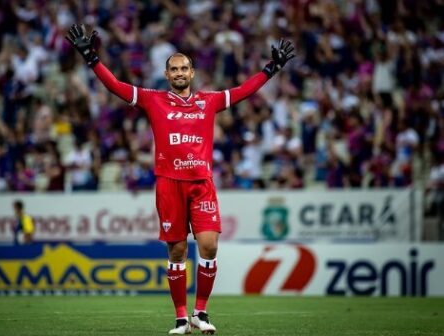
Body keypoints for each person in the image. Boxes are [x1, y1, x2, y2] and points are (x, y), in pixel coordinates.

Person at [66, 24, 294, 335]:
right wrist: (92, 58)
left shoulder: (208, 101)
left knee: (209, 246)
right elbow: (116, 86)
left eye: (184, 68)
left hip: (201, 183)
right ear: (166, 73)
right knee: (176, 252)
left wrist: (271, 68)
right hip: (168, 184)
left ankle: (201, 311)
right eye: (174, 69)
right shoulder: (153, 99)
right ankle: (180, 317)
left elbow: (243, 91)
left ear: (192, 72)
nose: (179, 73)